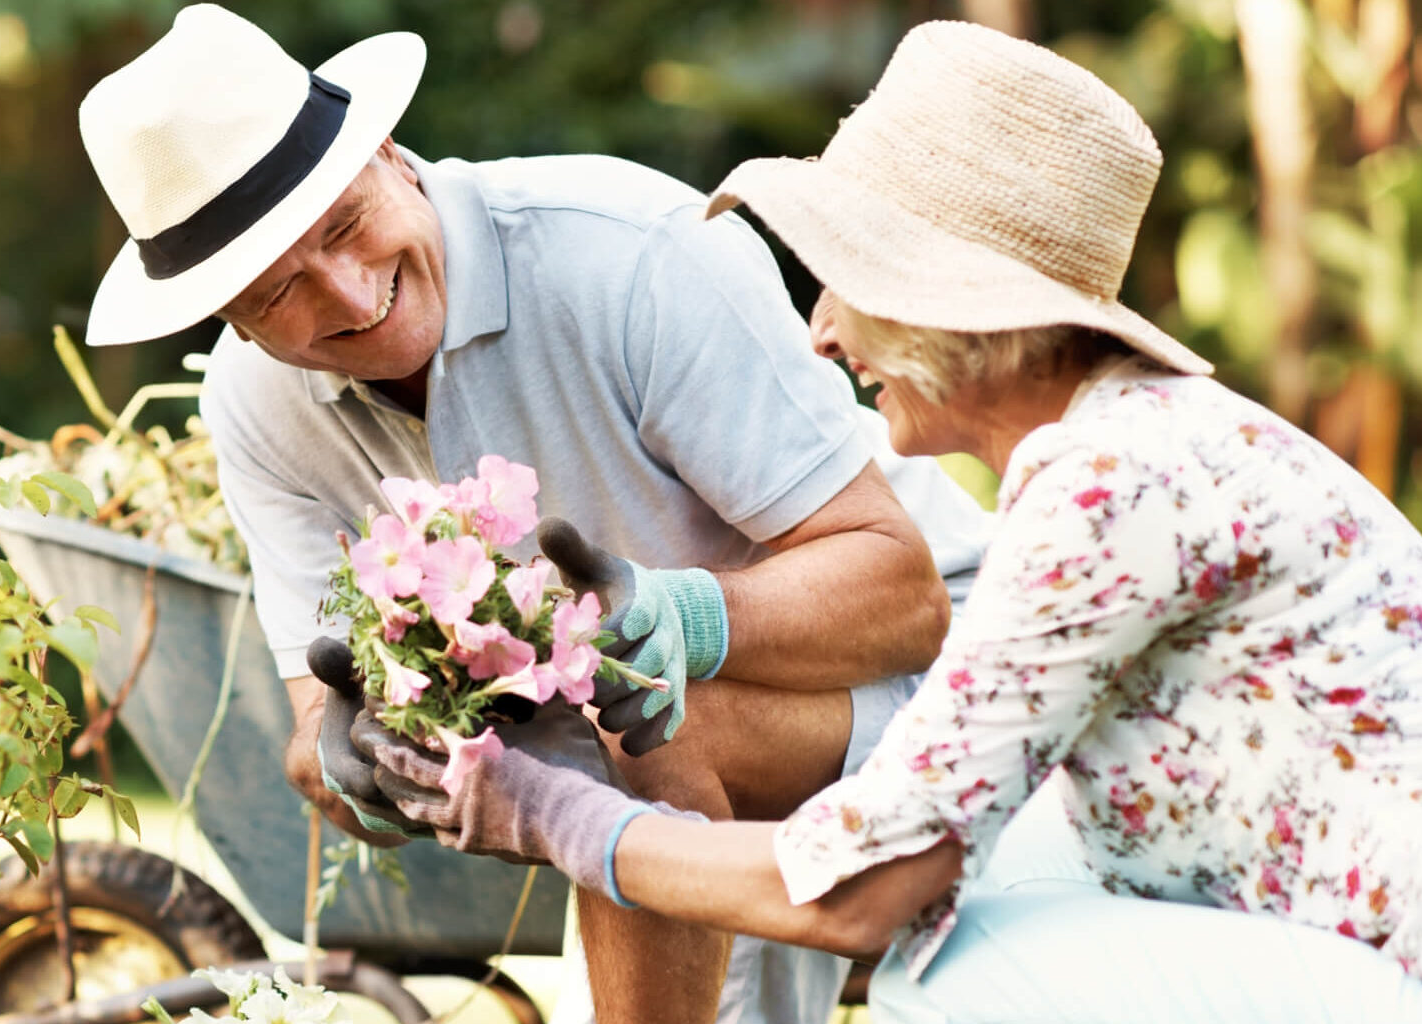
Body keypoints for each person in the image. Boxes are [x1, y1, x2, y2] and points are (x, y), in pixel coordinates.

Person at [364, 19, 1422, 1023]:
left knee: (958, 964)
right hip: (1357, 958)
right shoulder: (1118, 451)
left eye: (847, 283)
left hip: (1413, 978)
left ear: (958, 307)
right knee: (1008, 873)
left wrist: (551, 813)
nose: (821, 334)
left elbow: (861, 888)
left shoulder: (1114, 484)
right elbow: (912, 816)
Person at [72, 6, 992, 1023]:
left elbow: (906, 596)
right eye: (278, 290)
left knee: (630, 701)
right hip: (653, 757)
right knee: (621, 709)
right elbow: (310, 729)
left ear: (385, 151)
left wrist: (678, 619)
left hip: (938, 689)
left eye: (342, 225)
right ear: (226, 320)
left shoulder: (627, 255)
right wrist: (353, 758)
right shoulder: (255, 406)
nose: (344, 293)